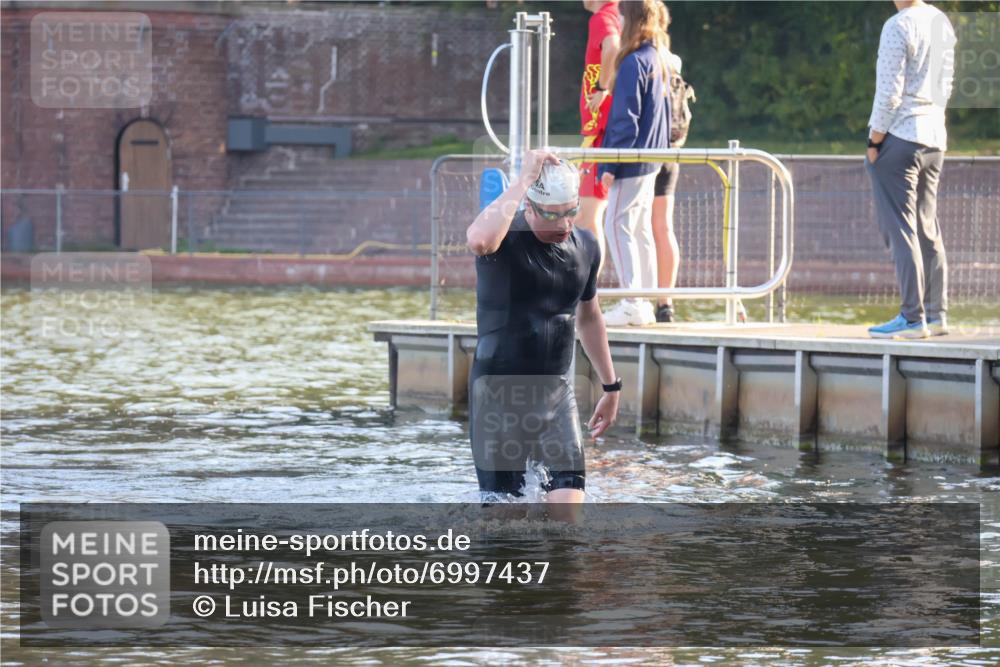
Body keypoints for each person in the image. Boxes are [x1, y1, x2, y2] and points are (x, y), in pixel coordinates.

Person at [465, 150, 621, 509]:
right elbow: (478, 240)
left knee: (568, 517)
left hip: (554, 396)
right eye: (552, 214)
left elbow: (589, 316)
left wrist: (611, 386)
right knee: (505, 526)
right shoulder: (503, 240)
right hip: (497, 399)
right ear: (529, 207)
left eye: (570, 211)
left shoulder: (586, 245)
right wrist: (522, 179)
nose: (563, 224)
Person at [865, 0, 955, 339]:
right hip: (934, 138)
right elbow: (945, 86)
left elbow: (889, 93)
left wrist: (874, 141)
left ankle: (912, 316)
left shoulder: (898, 25)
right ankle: (935, 315)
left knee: (902, 230)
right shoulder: (941, 22)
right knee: (927, 227)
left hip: (900, 137)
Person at [598, 0, 670, 327]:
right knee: (638, 230)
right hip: (652, 159)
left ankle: (633, 302)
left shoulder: (632, 62)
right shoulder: (657, 58)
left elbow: (624, 119)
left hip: (631, 160)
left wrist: (609, 165)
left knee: (616, 224)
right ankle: (644, 300)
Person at [577, 0, 621, 275]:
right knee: (593, 216)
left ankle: (587, 292)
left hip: (599, 132)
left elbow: (613, 46)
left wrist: (602, 87)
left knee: (588, 217)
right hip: (604, 130)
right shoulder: (619, 13)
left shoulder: (603, 17)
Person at [651, 1, 684, 323]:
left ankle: (636, 296)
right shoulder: (672, 60)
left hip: (644, 154)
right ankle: (665, 301)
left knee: (632, 226)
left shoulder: (640, 58)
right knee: (663, 227)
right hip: (670, 152)